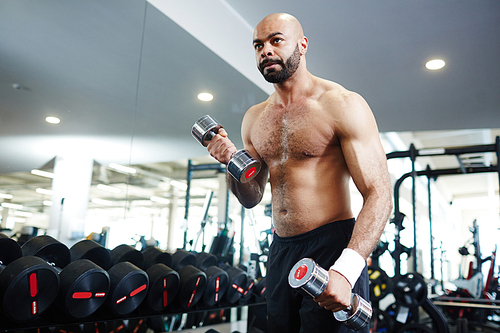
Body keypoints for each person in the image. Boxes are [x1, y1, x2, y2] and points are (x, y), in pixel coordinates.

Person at [206, 13, 393, 332]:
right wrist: (232, 163)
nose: (265, 50)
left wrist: (346, 271)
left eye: (276, 40)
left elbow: (380, 195)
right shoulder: (255, 118)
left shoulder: (340, 104)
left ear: (302, 45)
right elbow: (251, 197)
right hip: (280, 249)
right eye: (258, 45)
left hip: (332, 245)